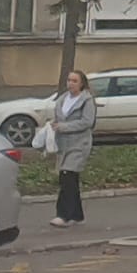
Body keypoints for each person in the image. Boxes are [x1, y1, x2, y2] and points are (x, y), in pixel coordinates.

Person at [49, 68, 96, 227]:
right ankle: (77, 214)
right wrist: (54, 125)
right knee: (70, 179)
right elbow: (58, 118)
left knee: (67, 176)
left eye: (74, 81)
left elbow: (87, 122)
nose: (71, 83)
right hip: (64, 144)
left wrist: (64, 126)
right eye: (69, 80)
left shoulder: (87, 100)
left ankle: (63, 215)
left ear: (82, 84)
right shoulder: (62, 99)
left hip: (79, 144)